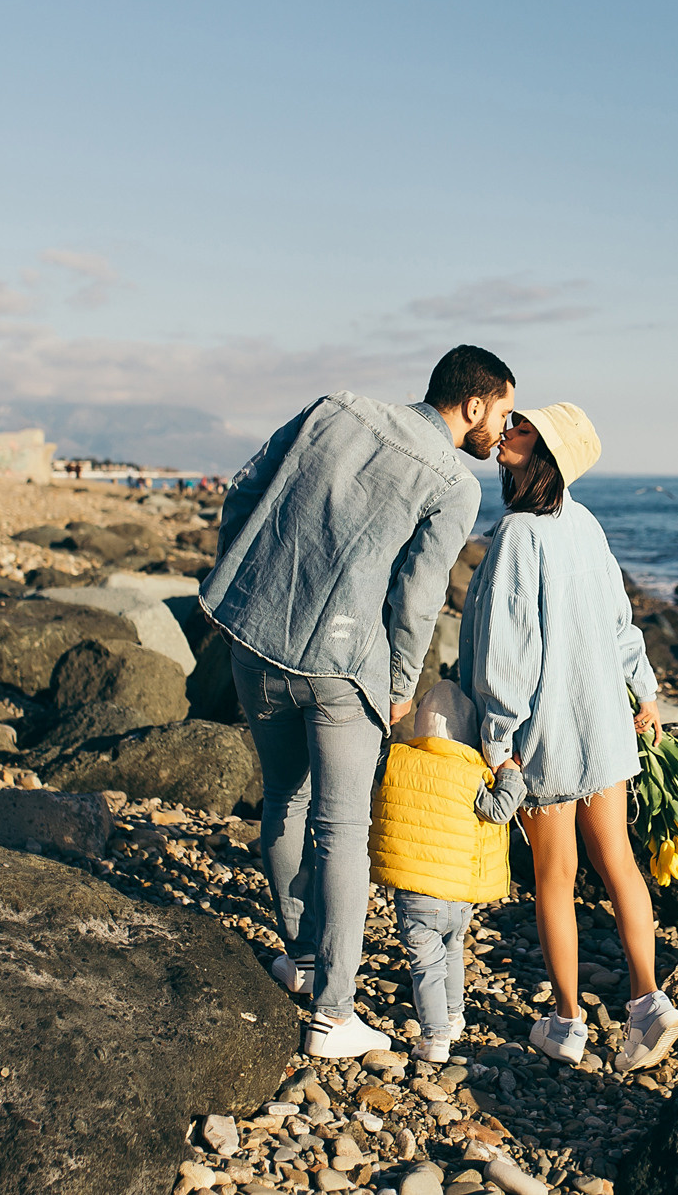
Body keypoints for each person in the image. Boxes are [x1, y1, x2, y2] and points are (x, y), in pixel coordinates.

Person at [199, 344, 513, 1059]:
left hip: (257, 635)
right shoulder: (453, 483)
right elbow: (419, 598)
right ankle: (332, 1015)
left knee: (283, 795)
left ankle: (304, 960)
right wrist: (402, 686)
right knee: (343, 828)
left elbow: (244, 489)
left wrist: (243, 578)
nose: (504, 427)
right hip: (344, 666)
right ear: (473, 404)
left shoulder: (333, 409)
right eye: (504, 411)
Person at [459, 402, 678, 1072]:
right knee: (617, 860)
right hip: (602, 722)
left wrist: (498, 740)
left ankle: (566, 1022)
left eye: (523, 430)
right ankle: (648, 1003)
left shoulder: (519, 534)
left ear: (547, 454)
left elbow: (506, 650)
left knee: (557, 876)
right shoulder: (586, 525)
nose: (508, 433)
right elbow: (621, 622)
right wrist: (644, 691)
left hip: (549, 730)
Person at [368, 681, 526, 1062]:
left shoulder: (394, 760)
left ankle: (436, 1038)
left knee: (426, 965)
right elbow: (500, 811)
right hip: (459, 894)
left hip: (417, 893)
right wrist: (510, 772)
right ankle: (454, 1016)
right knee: (453, 951)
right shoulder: (472, 773)